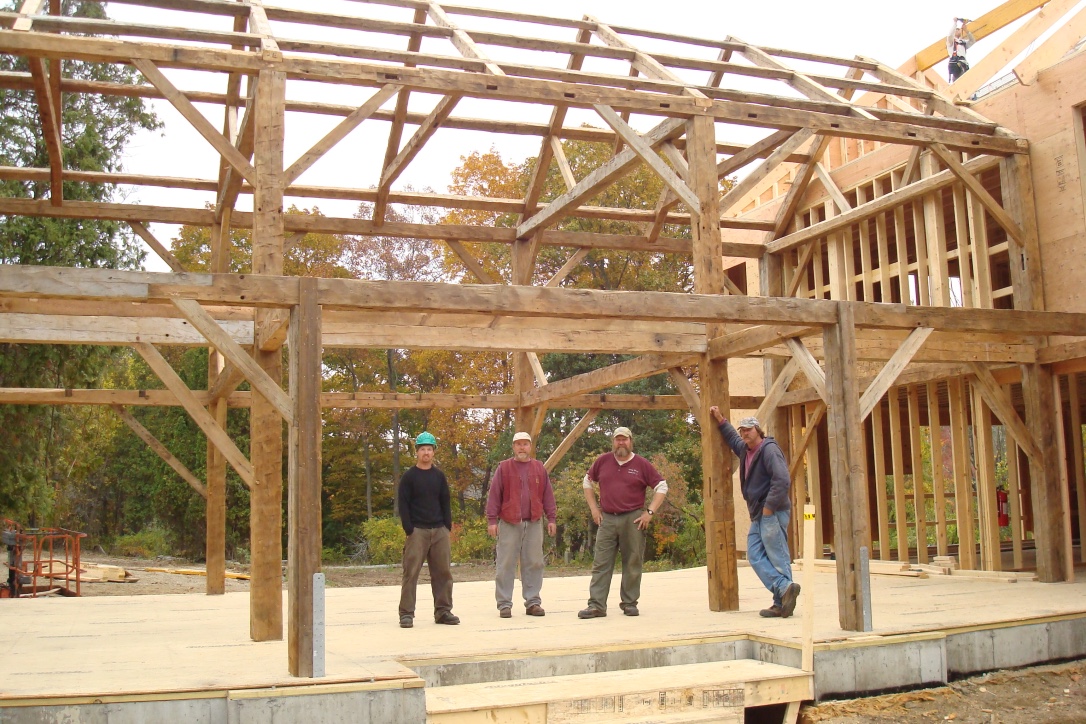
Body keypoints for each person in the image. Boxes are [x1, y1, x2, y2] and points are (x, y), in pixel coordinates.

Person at [709, 407, 800, 619]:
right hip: (760, 514)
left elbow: (782, 480)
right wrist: (721, 420)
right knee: (755, 555)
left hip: (772, 512)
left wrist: (769, 508)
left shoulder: (769, 450)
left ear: (758, 430)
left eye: (749, 430)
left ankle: (781, 600)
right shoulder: (746, 450)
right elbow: (732, 439)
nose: (744, 434)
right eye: (743, 431)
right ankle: (783, 590)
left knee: (777, 556)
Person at [578, 427, 667, 619]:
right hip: (607, 518)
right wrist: (594, 508)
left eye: (624, 440)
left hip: (633, 518)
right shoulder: (602, 461)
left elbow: (662, 486)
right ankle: (596, 605)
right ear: (613, 442)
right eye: (617, 439)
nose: (621, 443)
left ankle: (629, 603)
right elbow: (587, 482)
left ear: (630, 441)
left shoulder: (641, 464)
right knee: (601, 562)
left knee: (632, 562)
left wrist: (649, 512)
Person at [485, 431, 558, 618]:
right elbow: (494, 495)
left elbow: (547, 495)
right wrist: (492, 520)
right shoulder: (504, 468)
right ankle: (504, 604)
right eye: (518, 444)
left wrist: (551, 518)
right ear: (513, 447)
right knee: (505, 563)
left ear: (530, 447)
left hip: (533, 521)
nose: (522, 448)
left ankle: (533, 602)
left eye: (525, 444)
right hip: (509, 522)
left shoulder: (539, 468)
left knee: (534, 562)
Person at [397, 431, 459, 628]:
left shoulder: (439, 476)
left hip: (439, 530)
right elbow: (403, 504)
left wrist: (446, 526)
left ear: (434, 452)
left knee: (443, 572)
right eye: (422, 449)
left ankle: (443, 611)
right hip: (417, 531)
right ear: (417, 452)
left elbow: (445, 501)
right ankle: (406, 613)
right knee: (411, 572)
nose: (426, 452)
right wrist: (409, 529)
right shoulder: (409, 477)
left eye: (429, 449)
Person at [946, 17, 975, 82]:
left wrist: (966, 31)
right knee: (960, 83)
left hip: (964, 65)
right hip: (957, 66)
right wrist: (955, 23)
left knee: (968, 83)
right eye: (956, 29)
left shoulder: (963, 42)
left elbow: (972, 41)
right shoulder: (951, 42)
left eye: (958, 29)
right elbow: (950, 35)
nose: (958, 30)